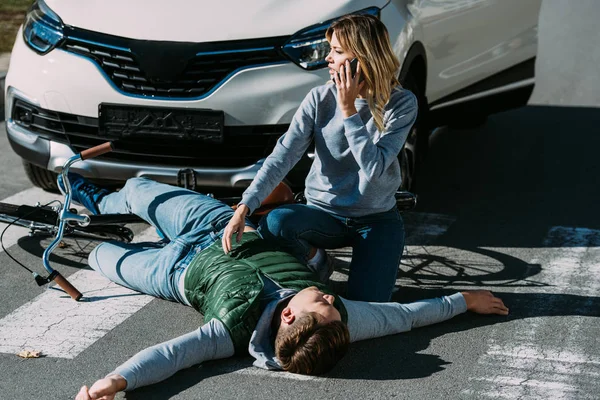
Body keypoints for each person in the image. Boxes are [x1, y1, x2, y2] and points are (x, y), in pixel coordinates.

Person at [63, 175, 509, 400]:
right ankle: (96, 196)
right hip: (218, 227)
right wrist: (462, 300)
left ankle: (96, 225)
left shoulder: (228, 335)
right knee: (140, 189)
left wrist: (115, 381)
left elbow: (172, 356)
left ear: (290, 317)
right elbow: (408, 317)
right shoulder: (343, 321)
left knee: (99, 256)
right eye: (332, 301)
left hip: (172, 271)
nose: (332, 296)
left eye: (323, 301)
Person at [222, 13, 418, 302]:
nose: (327, 58)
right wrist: (244, 207)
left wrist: (349, 109)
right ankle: (319, 261)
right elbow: (283, 156)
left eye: (337, 52)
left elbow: (374, 168)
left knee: (368, 306)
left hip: (375, 219)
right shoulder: (318, 98)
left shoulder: (400, 103)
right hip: (322, 213)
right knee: (276, 223)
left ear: (361, 58)